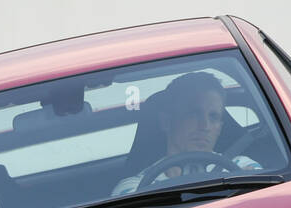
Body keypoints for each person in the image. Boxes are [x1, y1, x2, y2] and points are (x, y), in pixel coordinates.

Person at [112, 71, 263, 196]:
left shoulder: (241, 165)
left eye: (213, 117)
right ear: (167, 122)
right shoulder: (134, 188)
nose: (205, 126)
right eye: (193, 114)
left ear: (220, 127)